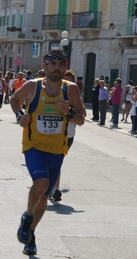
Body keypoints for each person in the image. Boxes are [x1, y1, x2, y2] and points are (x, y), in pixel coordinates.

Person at [10, 50, 85, 255]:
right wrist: (19, 116)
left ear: (65, 67)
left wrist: (68, 112)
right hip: (34, 146)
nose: (57, 68)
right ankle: (27, 216)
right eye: (53, 64)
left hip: (57, 150)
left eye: (61, 65)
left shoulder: (70, 90)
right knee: (41, 185)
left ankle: (30, 232)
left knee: (43, 197)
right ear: (44, 66)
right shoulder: (33, 86)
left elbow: (81, 119)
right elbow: (14, 99)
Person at [50, 69, 86, 202]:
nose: (68, 85)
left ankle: (55, 188)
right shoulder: (52, 94)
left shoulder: (77, 97)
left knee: (57, 160)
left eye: (71, 83)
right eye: (65, 82)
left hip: (68, 134)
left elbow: (82, 117)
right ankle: (53, 186)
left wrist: (70, 114)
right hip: (51, 132)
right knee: (52, 160)